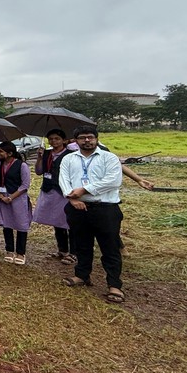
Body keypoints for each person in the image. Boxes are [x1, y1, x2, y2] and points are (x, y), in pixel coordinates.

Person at [60, 126, 125, 303]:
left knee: (109, 247)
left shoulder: (109, 158)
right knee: (82, 244)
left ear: (96, 139)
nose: (86, 140)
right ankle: (82, 275)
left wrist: (84, 189)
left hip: (105, 208)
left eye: (90, 137)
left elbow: (113, 181)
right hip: (78, 208)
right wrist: (71, 198)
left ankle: (114, 285)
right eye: (82, 138)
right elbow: (63, 180)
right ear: (76, 141)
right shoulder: (69, 159)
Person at [33, 129, 74, 263]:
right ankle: (62, 250)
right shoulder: (46, 153)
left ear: (63, 140)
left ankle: (73, 253)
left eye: (57, 139)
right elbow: (39, 171)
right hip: (49, 189)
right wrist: (39, 157)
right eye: (51, 139)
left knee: (68, 222)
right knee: (57, 221)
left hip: (64, 191)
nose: (53, 141)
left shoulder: (71, 155)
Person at [0, 141, 31, 265]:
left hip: (18, 198)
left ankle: (21, 252)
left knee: (21, 225)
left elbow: (25, 185)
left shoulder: (21, 165)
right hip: (3, 198)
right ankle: (9, 250)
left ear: (10, 153)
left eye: (1, 151)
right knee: (7, 224)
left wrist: (11, 197)